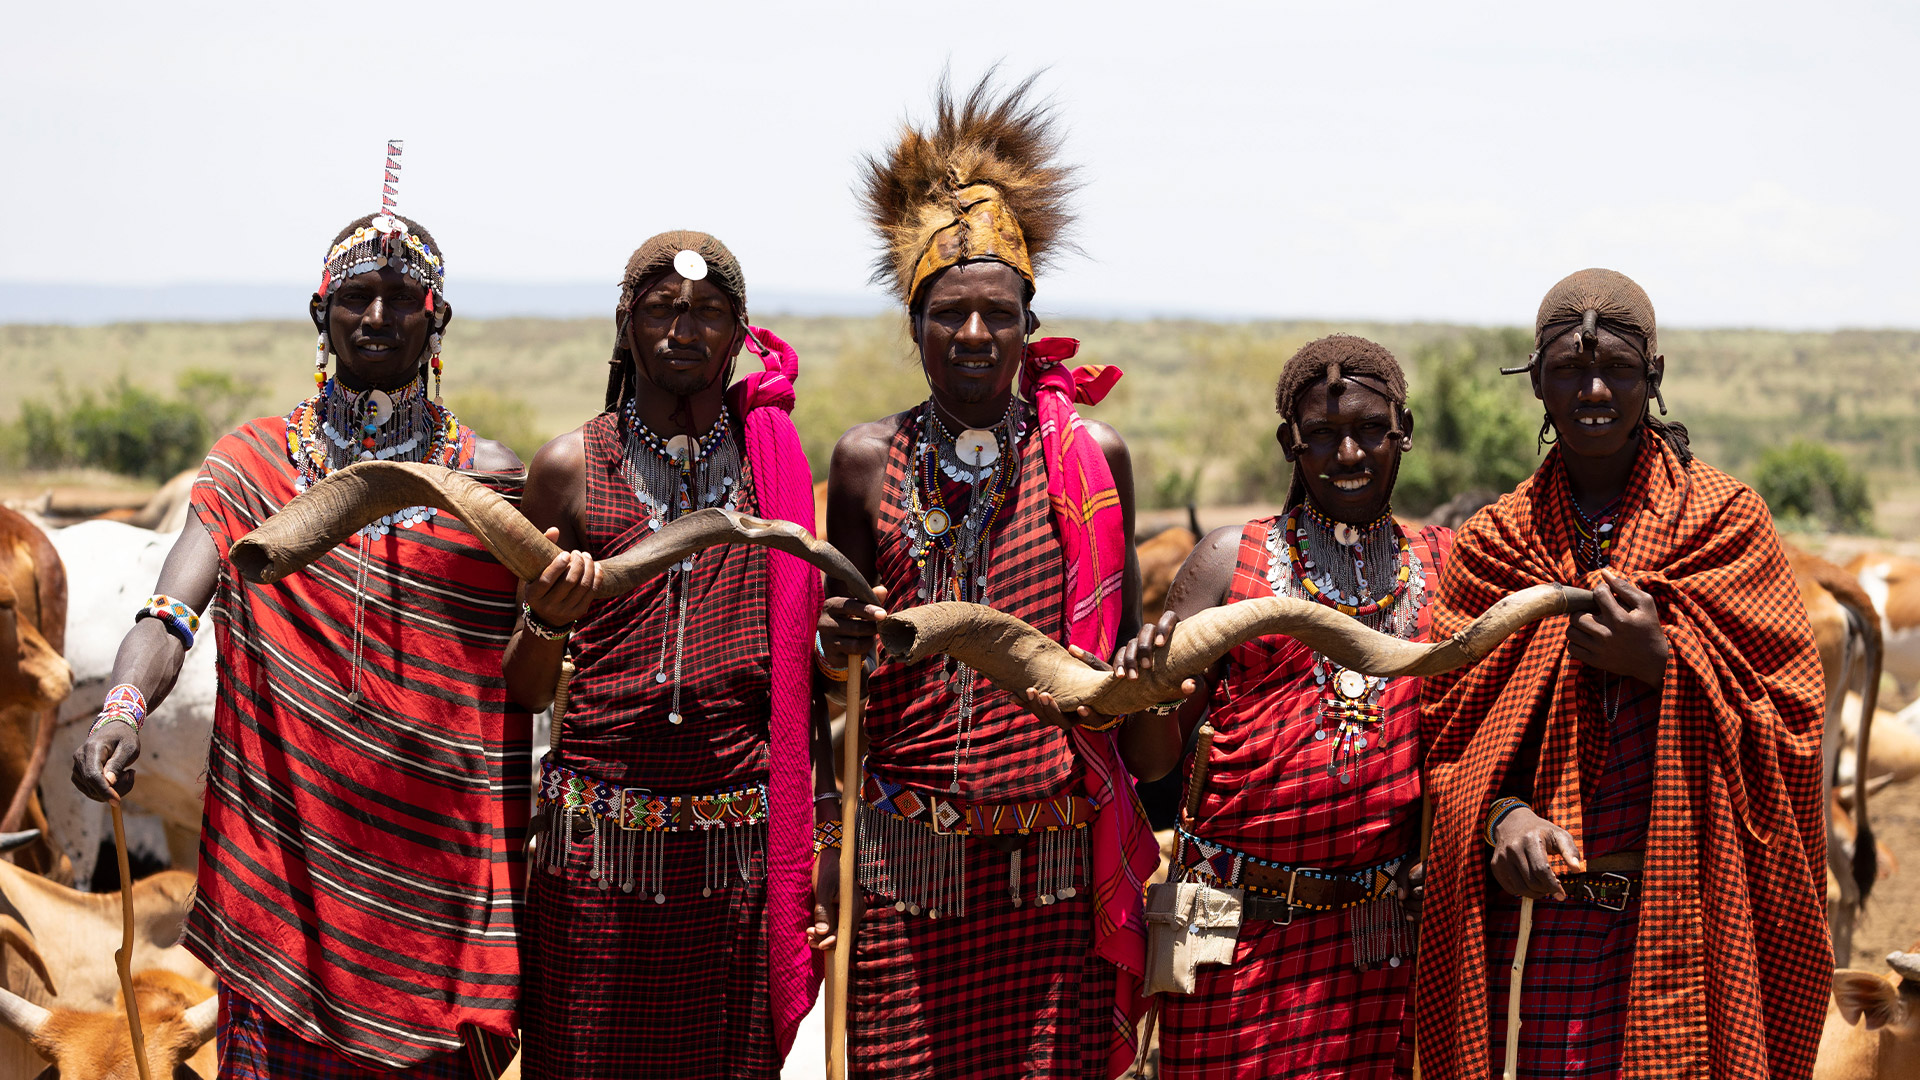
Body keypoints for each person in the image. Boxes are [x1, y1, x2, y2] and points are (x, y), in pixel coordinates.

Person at [71, 188, 529, 1075]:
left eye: (406, 295)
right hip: (287, 862)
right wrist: (120, 710)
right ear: (322, 312)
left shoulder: (488, 482)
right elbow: (169, 615)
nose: (380, 313)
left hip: (432, 871)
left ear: (440, 321)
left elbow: (531, 669)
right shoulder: (251, 467)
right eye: (358, 293)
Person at [817, 72, 1157, 1080]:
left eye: (996, 315)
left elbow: (1123, 668)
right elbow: (831, 656)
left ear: (1026, 322)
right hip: (901, 869)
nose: (973, 336)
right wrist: (833, 643)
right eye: (948, 314)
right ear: (913, 325)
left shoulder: (1092, 461)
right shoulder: (865, 462)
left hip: (1050, 870)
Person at [1415, 269, 1830, 1079]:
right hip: (1526, 936)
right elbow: (1449, 737)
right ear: (1535, 381)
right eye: (1568, 369)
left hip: (1680, 916)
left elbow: (1794, 723)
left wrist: (1666, 663)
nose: (1594, 389)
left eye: (1618, 370)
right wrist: (1501, 818)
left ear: (1656, 376)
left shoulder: (1725, 520)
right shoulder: (1494, 542)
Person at [503, 231, 827, 1079]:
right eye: (662, 310)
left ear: (739, 333)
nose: (685, 330)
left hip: (738, 857)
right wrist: (545, 618)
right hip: (596, 851)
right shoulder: (569, 468)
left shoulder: (774, 473)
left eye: (709, 313)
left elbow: (804, 691)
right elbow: (524, 690)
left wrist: (814, 847)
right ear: (625, 326)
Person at [1118, 335, 1438, 1078]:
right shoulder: (1231, 562)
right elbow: (1152, 759)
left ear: (1405, 435)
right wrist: (1149, 693)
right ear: (1288, 445)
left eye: (1369, 432)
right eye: (1323, 435)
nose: (1349, 454)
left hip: (1376, 943)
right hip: (1234, 940)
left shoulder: (1442, 564)